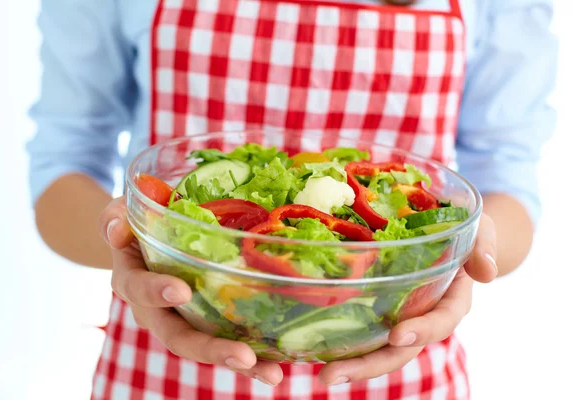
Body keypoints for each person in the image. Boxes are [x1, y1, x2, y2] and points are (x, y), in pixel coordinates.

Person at [28, 0, 557, 398]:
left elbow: (507, 177)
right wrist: (136, 243)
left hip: (402, 354)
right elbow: (63, 163)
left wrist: (466, 253)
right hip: (165, 346)